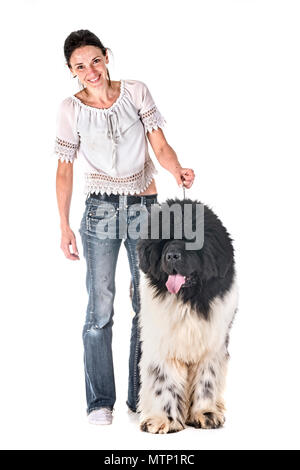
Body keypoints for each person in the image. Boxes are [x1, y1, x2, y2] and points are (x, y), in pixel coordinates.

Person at [54, 29, 195, 425]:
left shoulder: (135, 92)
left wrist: (177, 170)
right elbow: (64, 172)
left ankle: (139, 396)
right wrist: (64, 225)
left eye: (95, 60)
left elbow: (159, 145)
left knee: (145, 304)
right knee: (99, 309)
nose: (90, 71)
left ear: (107, 57)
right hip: (99, 211)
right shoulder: (70, 109)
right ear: (71, 70)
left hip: (144, 207)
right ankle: (100, 401)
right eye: (80, 66)